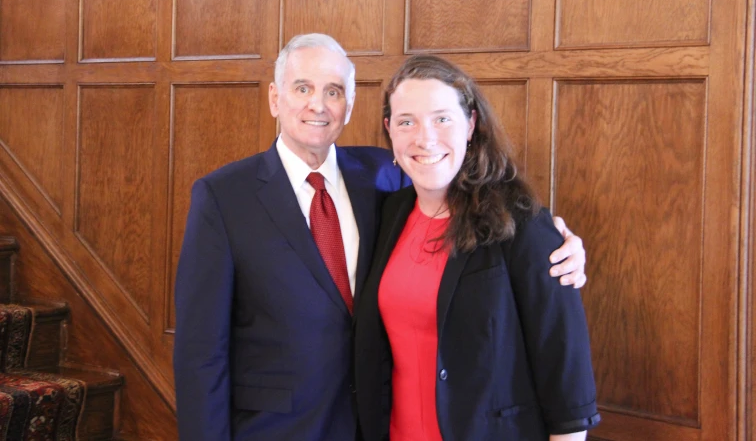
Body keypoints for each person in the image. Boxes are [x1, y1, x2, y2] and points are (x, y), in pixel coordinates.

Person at [173, 34, 588, 441]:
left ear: (349, 106)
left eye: (334, 91)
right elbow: (200, 353)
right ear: (274, 99)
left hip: (375, 422)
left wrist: (557, 242)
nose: (318, 104)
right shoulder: (223, 196)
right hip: (280, 427)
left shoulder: (382, 179)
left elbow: (478, 218)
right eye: (303, 88)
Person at [354, 55, 600, 441]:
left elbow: (566, 372)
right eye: (407, 121)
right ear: (389, 130)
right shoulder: (387, 214)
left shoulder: (521, 223)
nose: (425, 137)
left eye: (442, 118)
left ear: (470, 124)